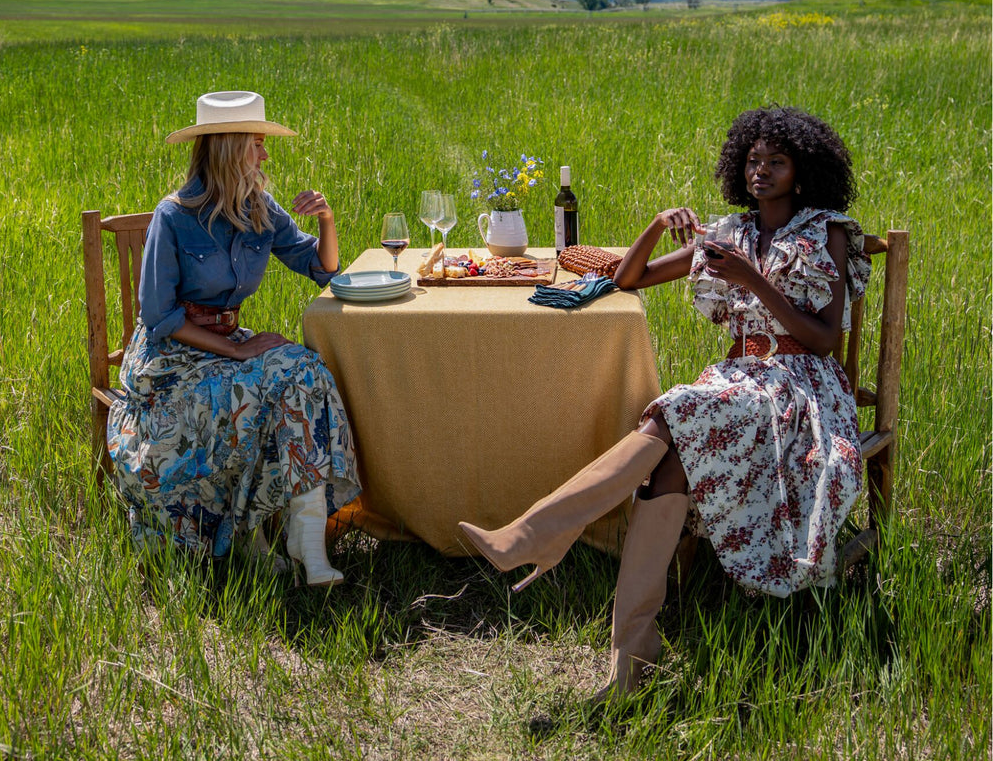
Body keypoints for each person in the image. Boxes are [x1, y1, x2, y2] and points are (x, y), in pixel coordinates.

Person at [459, 106, 870, 696]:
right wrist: (655, 223)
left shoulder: (825, 232)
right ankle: (629, 657)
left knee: (672, 413)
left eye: (776, 162)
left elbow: (826, 339)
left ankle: (535, 536)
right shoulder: (730, 233)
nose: (760, 171)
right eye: (753, 160)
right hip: (740, 381)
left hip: (801, 388)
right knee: (669, 462)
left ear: (802, 173)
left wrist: (753, 281)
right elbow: (629, 279)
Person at [107, 90, 360, 586]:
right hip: (170, 357)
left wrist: (326, 219)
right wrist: (237, 349)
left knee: (305, 369)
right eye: (257, 144)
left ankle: (306, 540)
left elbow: (321, 268)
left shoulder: (259, 208)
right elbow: (158, 316)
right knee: (258, 388)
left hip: (226, 344)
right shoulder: (173, 216)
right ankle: (249, 537)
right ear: (229, 148)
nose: (265, 155)